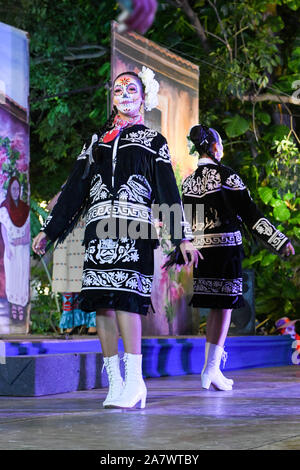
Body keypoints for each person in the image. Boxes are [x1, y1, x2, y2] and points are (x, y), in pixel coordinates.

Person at [32, 67, 198, 409]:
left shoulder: (154, 142)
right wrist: (49, 230)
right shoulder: (95, 142)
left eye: (131, 90)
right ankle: (115, 382)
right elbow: (75, 190)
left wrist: (182, 236)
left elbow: (168, 191)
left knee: (125, 299)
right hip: (98, 231)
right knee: (102, 307)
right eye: (118, 91)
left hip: (134, 229)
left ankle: (135, 383)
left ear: (143, 97)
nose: (124, 95)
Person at [181, 124, 295, 391]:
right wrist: (279, 241)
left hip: (201, 254)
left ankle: (210, 370)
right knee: (225, 309)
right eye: (220, 144)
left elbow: (189, 223)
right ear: (214, 147)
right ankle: (210, 369)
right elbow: (252, 216)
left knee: (215, 310)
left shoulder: (188, 182)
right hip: (226, 251)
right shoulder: (227, 177)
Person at [46, 191, 96, 335]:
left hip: (84, 243)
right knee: (68, 284)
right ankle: (70, 323)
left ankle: (92, 323)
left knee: (88, 282)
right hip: (67, 246)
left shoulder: (92, 190)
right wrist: (66, 187)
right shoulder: (68, 190)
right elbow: (51, 207)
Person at [0, 176, 30, 321]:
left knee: (22, 277)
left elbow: (28, 230)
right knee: (12, 277)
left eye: (18, 188)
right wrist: (9, 246)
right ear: (9, 190)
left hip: (23, 249)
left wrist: (21, 240)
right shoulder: (5, 207)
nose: (16, 191)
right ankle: (13, 306)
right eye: (13, 188)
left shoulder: (25, 208)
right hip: (11, 249)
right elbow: (4, 229)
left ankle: (20, 307)